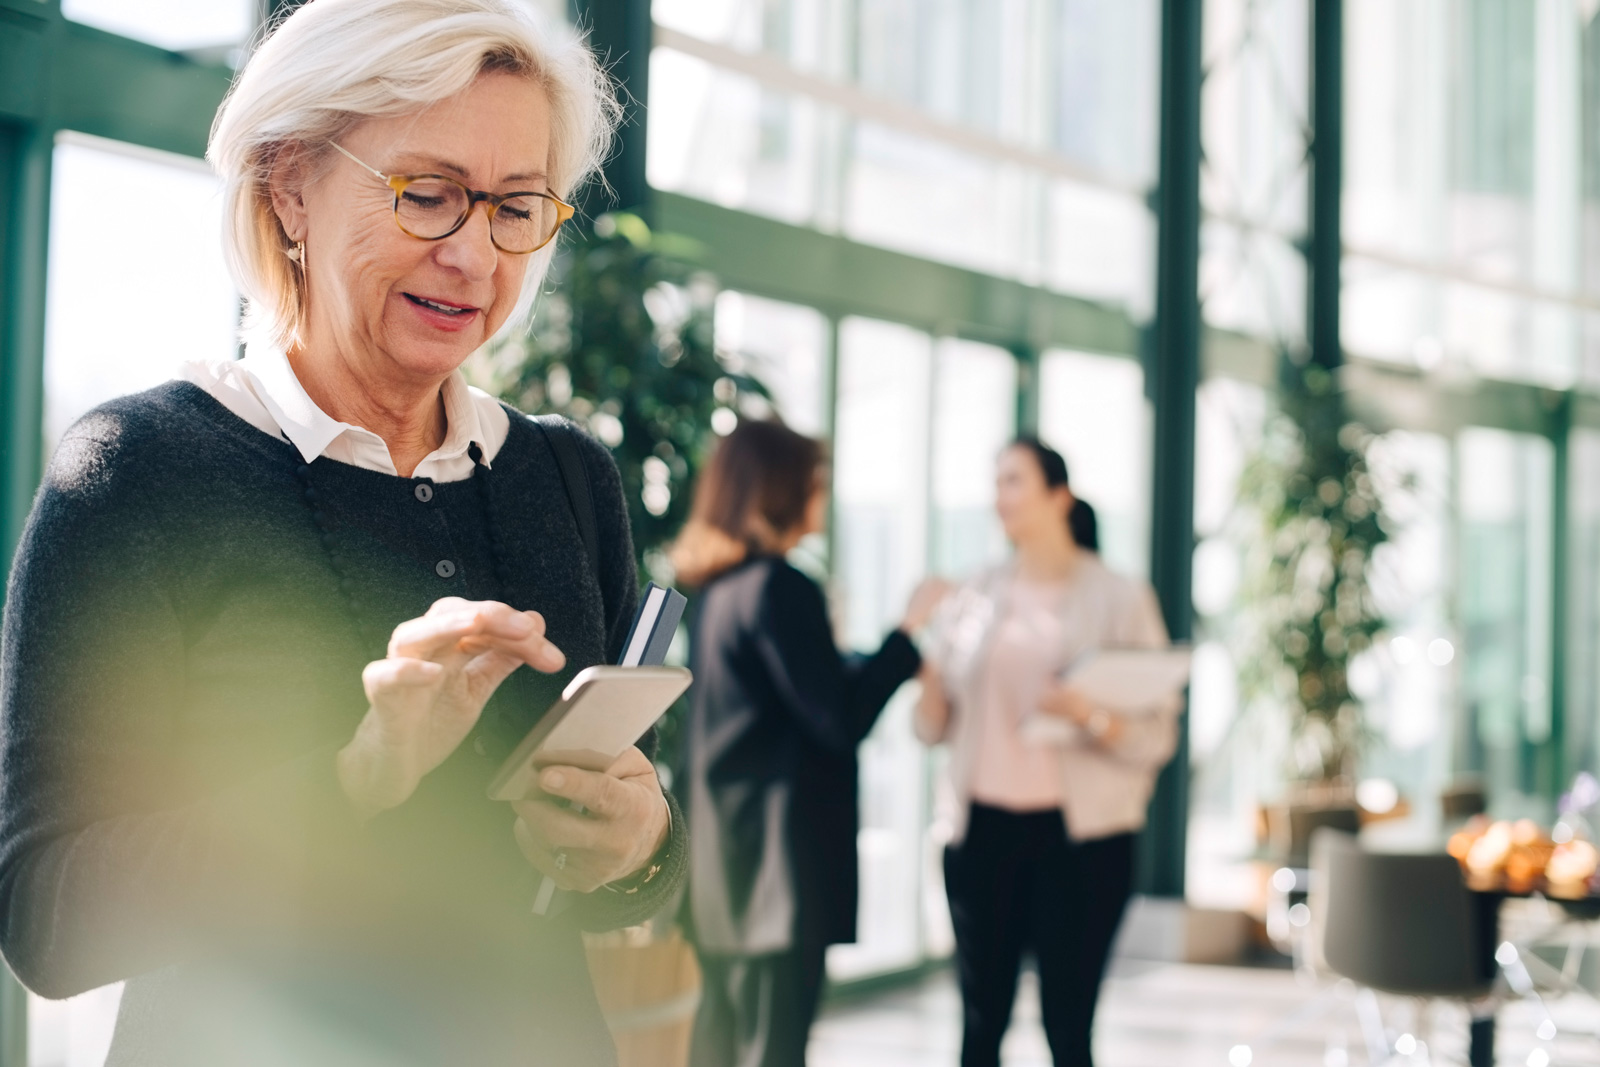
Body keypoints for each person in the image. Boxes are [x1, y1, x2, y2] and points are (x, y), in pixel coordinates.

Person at [0, 2, 683, 1063]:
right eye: (427, 194)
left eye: (513, 206)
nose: (473, 254)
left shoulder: (565, 473)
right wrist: (355, 775)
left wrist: (640, 842)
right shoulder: (139, 470)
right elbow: (46, 919)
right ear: (289, 186)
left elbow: (605, 874)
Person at [671, 421, 944, 1067]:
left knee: (719, 1039)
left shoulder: (717, 592)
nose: (822, 494)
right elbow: (838, 716)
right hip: (775, 874)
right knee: (772, 1048)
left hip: (722, 868)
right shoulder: (780, 586)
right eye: (814, 481)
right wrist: (906, 635)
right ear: (782, 489)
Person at [914, 437, 1178, 1067]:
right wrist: (923, 672)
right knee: (981, 1027)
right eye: (995, 481)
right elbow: (931, 730)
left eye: (1014, 481)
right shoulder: (974, 594)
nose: (998, 497)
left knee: (1068, 1028)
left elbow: (1157, 737)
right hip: (981, 837)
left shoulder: (1120, 597)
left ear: (1059, 497)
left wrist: (1088, 713)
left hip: (1082, 844)